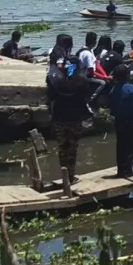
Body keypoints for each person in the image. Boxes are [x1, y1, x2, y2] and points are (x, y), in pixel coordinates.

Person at [47, 55, 92, 184]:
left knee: (62, 148)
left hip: (59, 118)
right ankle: (71, 176)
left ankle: (64, 176)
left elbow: (50, 98)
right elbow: (86, 98)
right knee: (72, 148)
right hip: (75, 119)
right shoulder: (82, 80)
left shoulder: (56, 80)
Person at [108, 64, 133, 178]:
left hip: (119, 120)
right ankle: (128, 170)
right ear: (127, 76)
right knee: (130, 145)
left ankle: (121, 169)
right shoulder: (131, 88)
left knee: (121, 145)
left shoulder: (113, 89)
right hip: (131, 120)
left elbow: (112, 106)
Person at [76, 32, 112, 109]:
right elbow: (91, 72)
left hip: (88, 74)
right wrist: (104, 78)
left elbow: (96, 64)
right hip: (84, 77)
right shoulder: (87, 54)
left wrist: (105, 75)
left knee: (105, 79)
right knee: (102, 83)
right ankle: (91, 100)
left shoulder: (90, 50)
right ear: (95, 42)